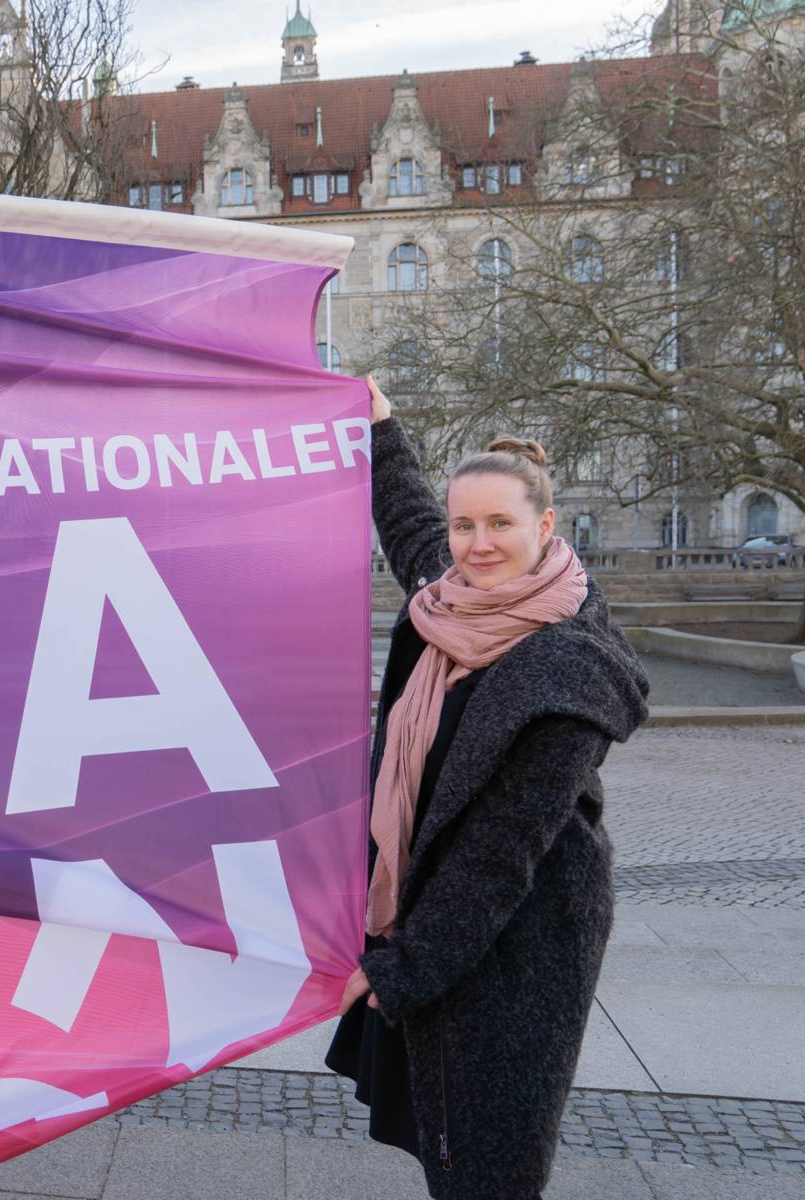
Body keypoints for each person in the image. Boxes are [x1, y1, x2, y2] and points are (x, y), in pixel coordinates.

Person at [325, 377, 649, 1199]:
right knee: (444, 1133)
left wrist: (402, 969)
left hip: (524, 939)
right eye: (465, 524)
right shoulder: (458, 599)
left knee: (490, 1157)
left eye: (499, 524)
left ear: (545, 528)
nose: (476, 544)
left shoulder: (568, 669)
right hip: (438, 915)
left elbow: (499, 857)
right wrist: (380, 426)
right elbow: (408, 525)